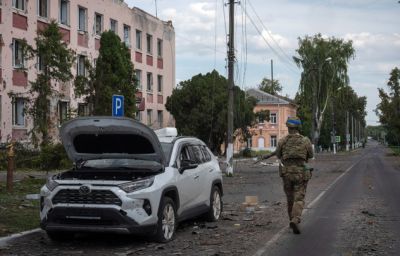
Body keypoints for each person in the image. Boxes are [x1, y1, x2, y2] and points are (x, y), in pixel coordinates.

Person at [267, 116, 313, 234]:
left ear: (288, 127)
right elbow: (311, 155)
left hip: (287, 173)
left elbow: (278, 155)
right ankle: (295, 219)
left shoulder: (282, 141)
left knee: (290, 199)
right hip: (301, 173)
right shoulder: (305, 140)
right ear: (299, 127)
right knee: (299, 198)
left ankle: (291, 220)